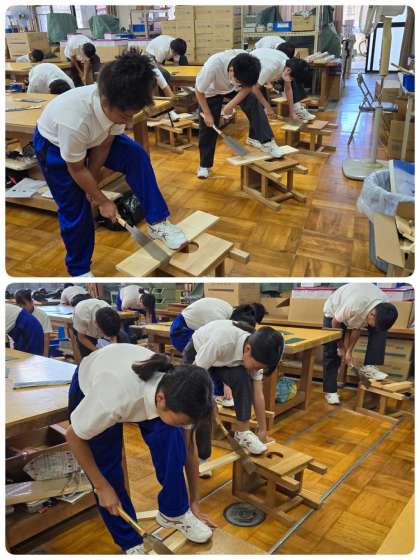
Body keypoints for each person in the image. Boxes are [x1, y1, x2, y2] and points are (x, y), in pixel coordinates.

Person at [34, 52, 187, 277]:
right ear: (105, 102)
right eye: (126, 116)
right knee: (75, 207)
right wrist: (102, 201)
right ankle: (79, 270)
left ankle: (158, 222)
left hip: (93, 137)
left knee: (136, 155)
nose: (130, 120)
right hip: (54, 146)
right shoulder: (74, 120)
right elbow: (76, 168)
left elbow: (105, 143)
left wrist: (94, 181)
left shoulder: (119, 104)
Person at [66, 344, 215, 553]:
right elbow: (73, 436)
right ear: (161, 400)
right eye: (181, 422)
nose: (184, 426)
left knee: (173, 439)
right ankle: (130, 541)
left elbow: (189, 450)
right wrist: (101, 487)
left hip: (130, 382)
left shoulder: (182, 394)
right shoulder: (112, 399)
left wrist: (194, 502)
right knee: (107, 470)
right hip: (96, 383)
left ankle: (175, 512)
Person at [184, 320, 284, 458]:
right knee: (201, 406)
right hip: (198, 353)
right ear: (247, 349)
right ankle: (200, 455)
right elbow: (194, 376)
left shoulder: (258, 352)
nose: (256, 370)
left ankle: (242, 433)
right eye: (256, 366)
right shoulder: (222, 341)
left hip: (224, 361)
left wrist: (262, 430)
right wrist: (209, 399)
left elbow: (258, 394)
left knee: (243, 378)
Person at [195, 50, 284, 179]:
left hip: (232, 88)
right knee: (208, 127)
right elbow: (199, 91)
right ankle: (204, 165)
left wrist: (229, 106)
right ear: (231, 71)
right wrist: (207, 114)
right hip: (210, 92)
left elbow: (248, 87)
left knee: (253, 101)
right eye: (239, 80)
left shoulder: (248, 63)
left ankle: (266, 141)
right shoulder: (213, 66)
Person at [323, 284, 398, 405]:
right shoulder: (354, 305)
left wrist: (349, 352)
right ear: (372, 314)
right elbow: (335, 323)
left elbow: (356, 328)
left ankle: (370, 366)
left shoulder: (385, 307)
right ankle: (330, 391)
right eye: (373, 323)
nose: (371, 326)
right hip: (334, 313)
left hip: (360, 307)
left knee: (380, 331)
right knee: (331, 352)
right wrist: (341, 346)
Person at [250, 48, 312, 122]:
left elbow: (288, 89)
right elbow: (254, 89)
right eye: (292, 78)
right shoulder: (271, 67)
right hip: (247, 68)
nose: (291, 80)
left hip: (260, 70)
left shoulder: (288, 64)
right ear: (288, 70)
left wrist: (292, 112)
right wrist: (268, 107)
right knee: (255, 108)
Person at [14, 289, 53, 357]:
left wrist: (45, 356)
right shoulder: (16, 314)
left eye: (24, 304)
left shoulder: (42, 315)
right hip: (21, 349)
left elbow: (46, 337)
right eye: (20, 306)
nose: (22, 308)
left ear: (31, 302)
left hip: (38, 348)